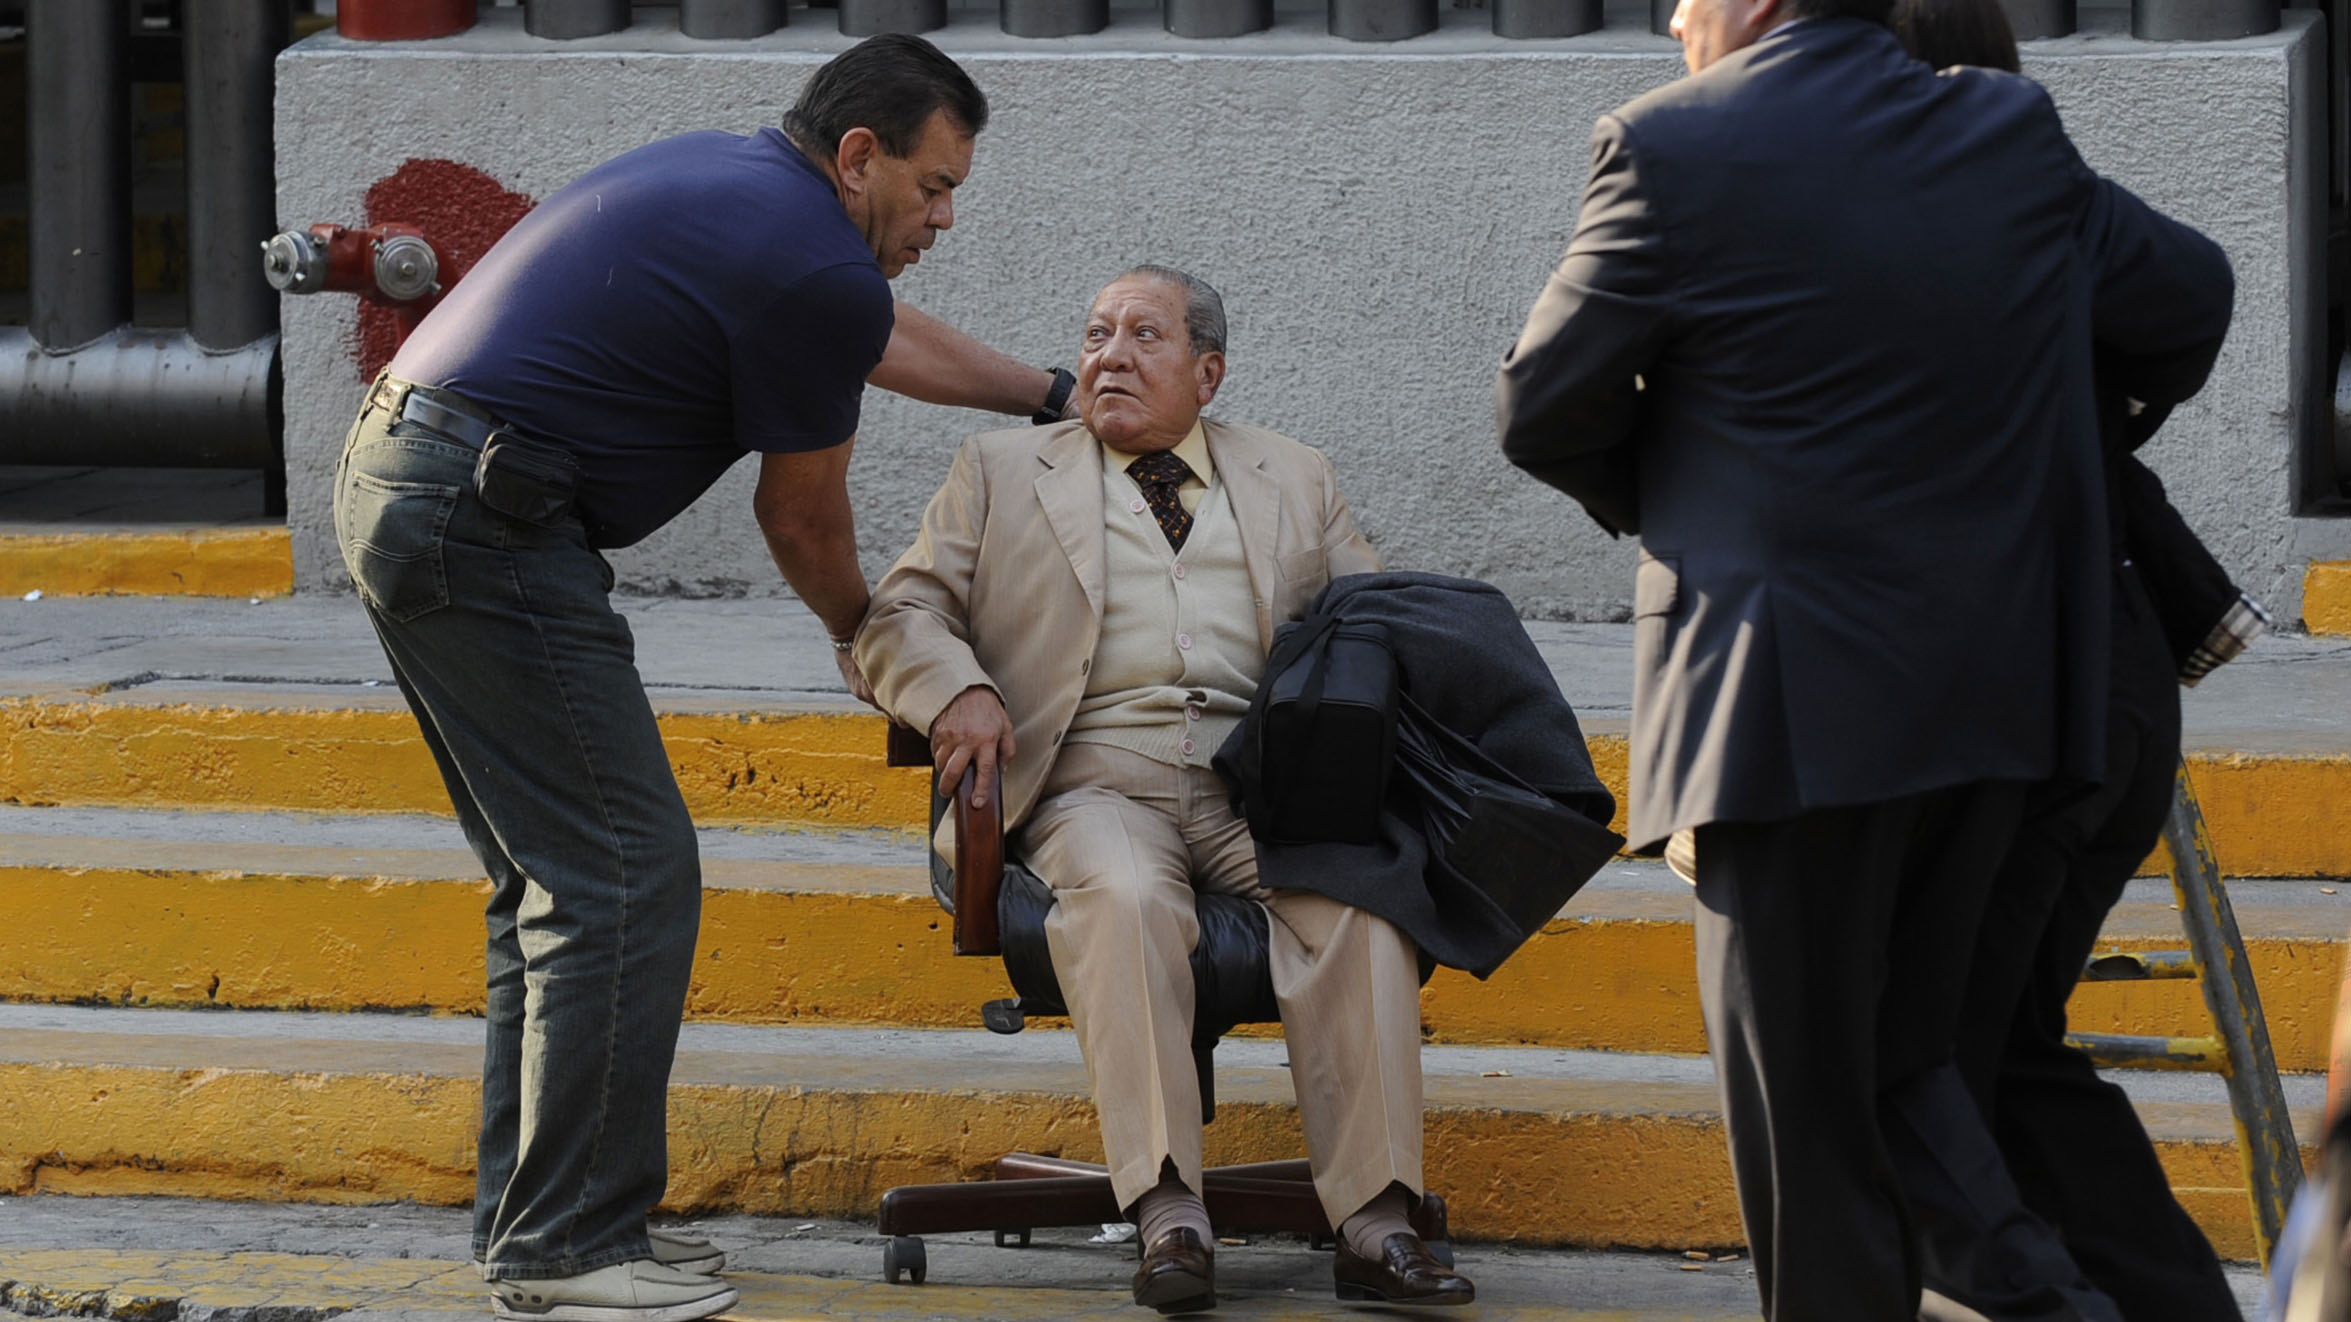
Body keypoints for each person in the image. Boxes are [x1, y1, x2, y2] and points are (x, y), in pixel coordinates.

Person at [1494, 0, 2235, 1315]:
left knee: (1811, 1136)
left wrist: (1697, 493)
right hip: (1996, 703)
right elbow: (2190, 299)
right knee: (1905, 1074)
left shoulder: (1667, 146)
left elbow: (1542, 406)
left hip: (1784, 705)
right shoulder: (2003, 123)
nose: (1671, 16)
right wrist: (2059, 437)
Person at [332, 35, 1076, 1322]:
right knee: (623, 869)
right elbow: (803, 522)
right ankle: (570, 1243)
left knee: (551, 877)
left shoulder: (746, 186)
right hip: (484, 518)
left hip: (410, 480)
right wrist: (869, 643)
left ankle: (541, 1225)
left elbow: (870, 333)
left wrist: (1044, 393)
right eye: (936, 185)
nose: (945, 216)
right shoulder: (802, 259)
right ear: (860, 157)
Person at [857, 266, 1474, 1313]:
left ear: (1208, 371)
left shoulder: (1292, 474)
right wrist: (955, 685)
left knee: (1360, 904)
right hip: (1089, 782)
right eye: (1096, 333)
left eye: (1144, 335)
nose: (1109, 356)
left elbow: (1366, 628)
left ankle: (1374, 1219)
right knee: (1130, 895)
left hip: (1256, 789)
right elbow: (898, 610)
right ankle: (1168, 1206)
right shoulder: (1001, 467)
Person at [1886, 2, 2262, 1318]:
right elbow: (2188, 300)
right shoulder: (2042, 215)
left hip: (2035, 712)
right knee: (1990, 1062)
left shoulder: (1934, 211)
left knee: (1919, 1075)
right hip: (2104, 692)